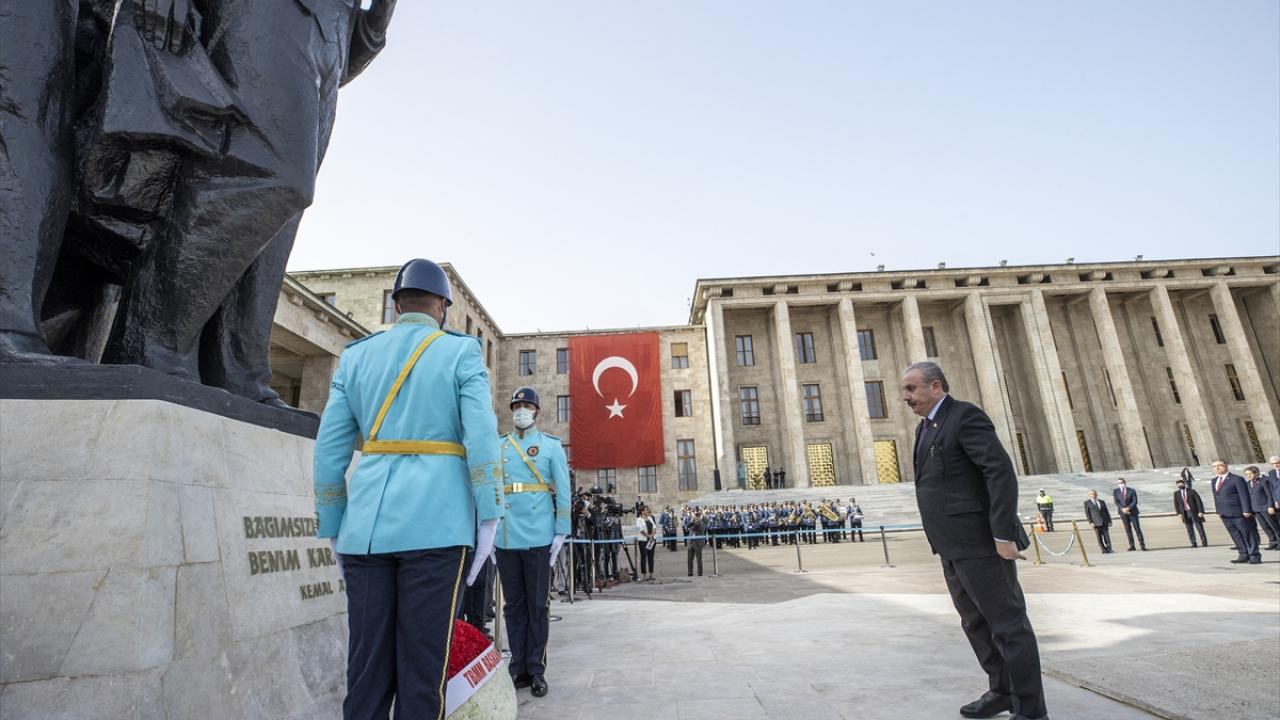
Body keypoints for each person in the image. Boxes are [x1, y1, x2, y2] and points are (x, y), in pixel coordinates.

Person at [313, 259, 503, 720]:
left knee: (366, 671)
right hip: (438, 527)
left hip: (365, 530)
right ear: (442, 306)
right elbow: (481, 438)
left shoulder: (357, 356)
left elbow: (329, 450)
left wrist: (333, 523)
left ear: (397, 305)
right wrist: (490, 513)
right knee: (423, 672)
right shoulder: (460, 352)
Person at [901, 361, 1047, 720]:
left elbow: (999, 471)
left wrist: (1003, 533)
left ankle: (1031, 711)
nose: (906, 396)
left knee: (1008, 626)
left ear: (936, 386)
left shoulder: (964, 416)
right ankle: (1002, 691)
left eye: (911, 388)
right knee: (976, 624)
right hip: (951, 546)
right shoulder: (926, 427)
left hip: (981, 543)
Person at [495, 386, 571, 698]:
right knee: (514, 607)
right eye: (516, 407)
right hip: (507, 535)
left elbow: (563, 490)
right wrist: (489, 532)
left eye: (526, 406)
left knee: (537, 606)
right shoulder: (500, 445)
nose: (521, 411)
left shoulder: (551, 446)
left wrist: (561, 530)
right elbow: (492, 489)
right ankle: (519, 669)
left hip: (539, 534)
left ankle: (536, 669)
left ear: (537, 411)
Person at [1210, 460, 1260, 565]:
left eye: (1219, 465)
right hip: (1224, 513)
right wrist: (1219, 510)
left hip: (1239, 512)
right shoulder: (1214, 481)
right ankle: (1243, 555)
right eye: (1214, 466)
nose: (1217, 468)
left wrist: (1246, 510)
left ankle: (1254, 556)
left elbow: (1244, 495)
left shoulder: (1236, 479)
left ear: (1226, 466)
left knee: (1247, 534)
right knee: (1236, 535)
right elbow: (1216, 496)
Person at [1244, 466, 1280, 551]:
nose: (1248, 476)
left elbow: (1269, 495)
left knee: (1274, 526)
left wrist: (1270, 506)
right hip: (1256, 509)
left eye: (1250, 474)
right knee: (1265, 527)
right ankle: (1273, 542)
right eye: (1247, 474)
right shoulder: (1248, 483)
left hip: (1265, 508)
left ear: (1256, 473)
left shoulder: (1263, 482)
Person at [1112, 478, 1146, 551]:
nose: (1121, 484)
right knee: (1128, 529)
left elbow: (1134, 501)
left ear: (1125, 482)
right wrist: (1123, 509)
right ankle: (1132, 545)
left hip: (1133, 512)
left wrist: (1128, 508)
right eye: (1119, 483)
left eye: (1122, 482)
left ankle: (1142, 545)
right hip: (1123, 513)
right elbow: (1116, 502)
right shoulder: (1116, 491)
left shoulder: (1131, 490)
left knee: (1137, 529)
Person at [1173, 478, 1208, 548]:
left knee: (1199, 528)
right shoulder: (1176, 493)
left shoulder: (1192, 491)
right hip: (1185, 513)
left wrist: (1201, 511)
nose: (1180, 485)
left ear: (1184, 484)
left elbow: (1198, 501)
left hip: (1194, 512)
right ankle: (1193, 543)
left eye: (1181, 484)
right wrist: (1179, 513)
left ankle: (1204, 542)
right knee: (1189, 529)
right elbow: (1176, 504)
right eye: (1178, 485)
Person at [636, 507, 658, 581]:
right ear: (642, 511)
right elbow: (641, 530)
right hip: (643, 540)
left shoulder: (650, 518)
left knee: (651, 557)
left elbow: (654, 527)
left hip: (651, 540)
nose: (647, 511)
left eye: (647, 510)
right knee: (643, 557)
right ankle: (644, 575)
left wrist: (652, 535)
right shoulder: (639, 520)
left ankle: (651, 574)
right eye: (646, 510)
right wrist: (648, 536)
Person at [687, 511, 707, 576]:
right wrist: (693, 521)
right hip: (691, 542)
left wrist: (699, 521)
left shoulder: (702, 523)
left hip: (698, 543)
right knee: (689, 559)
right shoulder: (692, 522)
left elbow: (702, 529)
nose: (696, 517)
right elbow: (687, 526)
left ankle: (700, 573)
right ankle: (690, 572)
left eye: (697, 516)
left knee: (699, 559)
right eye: (695, 516)